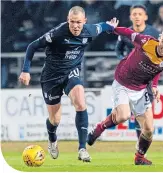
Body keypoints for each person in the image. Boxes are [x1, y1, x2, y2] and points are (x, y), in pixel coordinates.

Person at [19, 6, 118, 162]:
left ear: (84, 21)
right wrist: (25, 71)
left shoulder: (89, 30)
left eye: (79, 22)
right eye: (72, 22)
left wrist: (110, 26)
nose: (75, 26)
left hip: (71, 72)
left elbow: (102, 26)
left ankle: (82, 149)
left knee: (80, 101)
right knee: (55, 119)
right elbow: (32, 46)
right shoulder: (58, 33)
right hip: (51, 77)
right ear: (68, 20)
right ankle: (52, 139)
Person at [87, 20, 163, 165]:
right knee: (123, 116)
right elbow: (128, 33)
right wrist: (112, 28)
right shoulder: (146, 42)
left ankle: (139, 158)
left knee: (148, 130)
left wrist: (154, 85)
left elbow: (158, 69)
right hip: (122, 82)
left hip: (140, 89)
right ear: (160, 38)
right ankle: (99, 128)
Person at [115, 5, 159, 150]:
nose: (137, 16)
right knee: (135, 112)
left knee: (145, 113)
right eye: (134, 14)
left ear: (145, 16)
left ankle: (142, 142)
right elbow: (118, 50)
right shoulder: (126, 33)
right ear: (130, 17)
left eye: (140, 14)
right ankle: (140, 143)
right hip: (129, 78)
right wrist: (124, 60)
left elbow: (159, 55)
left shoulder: (153, 33)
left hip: (147, 77)